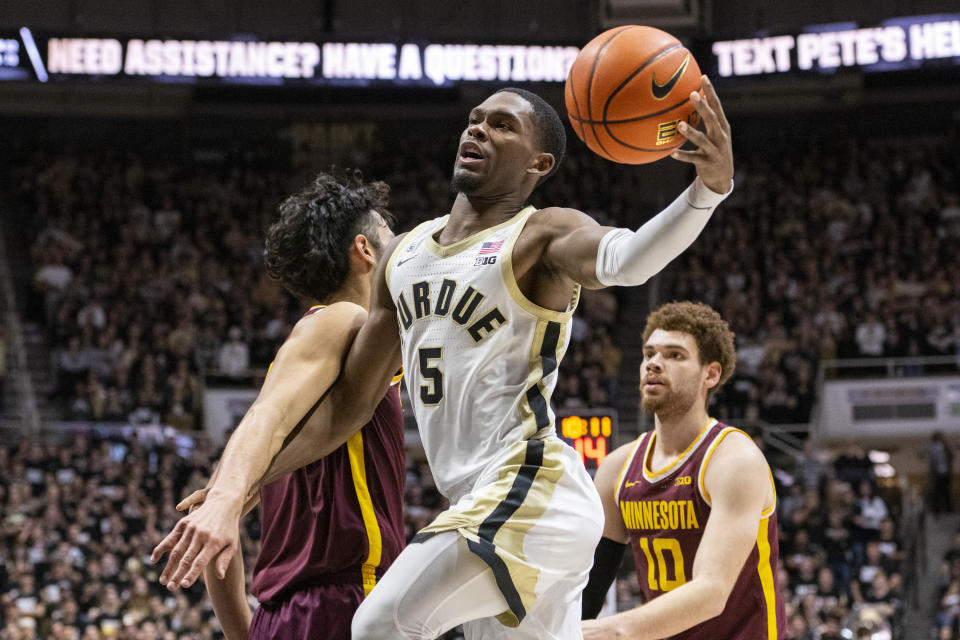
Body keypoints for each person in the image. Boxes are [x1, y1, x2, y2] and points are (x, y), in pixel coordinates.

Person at [156, 77, 734, 640]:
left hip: (529, 486)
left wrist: (707, 190)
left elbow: (628, 259)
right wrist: (253, 481)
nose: (478, 129)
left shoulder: (542, 234)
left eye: (502, 126)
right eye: (475, 120)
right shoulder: (403, 255)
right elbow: (349, 408)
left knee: (381, 625)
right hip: (484, 505)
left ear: (539, 165)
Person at [152, 173, 404, 640]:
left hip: (280, 617)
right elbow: (265, 418)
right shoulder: (340, 317)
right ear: (365, 251)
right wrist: (226, 498)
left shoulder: (330, 362)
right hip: (348, 599)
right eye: (391, 241)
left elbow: (217, 538)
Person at [581, 301, 786, 639]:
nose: (654, 364)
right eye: (649, 354)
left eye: (674, 355)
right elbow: (589, 587)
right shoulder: (617, 468)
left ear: (711, 373)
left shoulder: (734, 460)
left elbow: (710, 592)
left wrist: (615, 630)